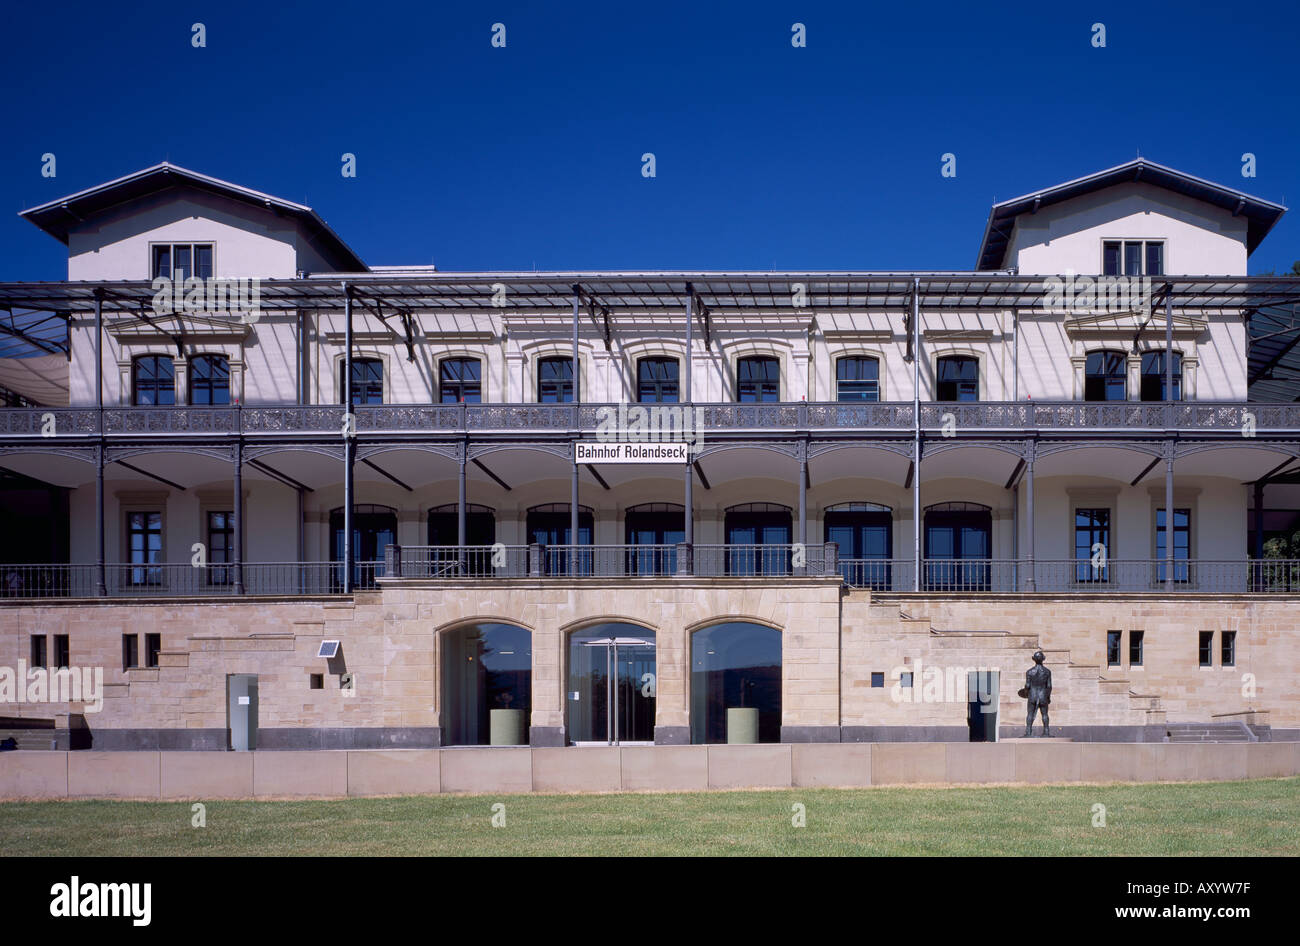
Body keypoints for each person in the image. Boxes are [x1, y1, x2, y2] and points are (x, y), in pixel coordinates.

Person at [1023, 650, 1052, 737]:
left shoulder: (1029, 672)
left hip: (1032, 695)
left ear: (1033, 659)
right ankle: (1046, 732)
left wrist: (1025, 693)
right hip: (1043, 694)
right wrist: (1048, 697)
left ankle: (1028, 732)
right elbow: (1049, 686)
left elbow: (1027, 685)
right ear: (1043, 659)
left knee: (1030, 714)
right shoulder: (1047, 672)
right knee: (1045, 714)